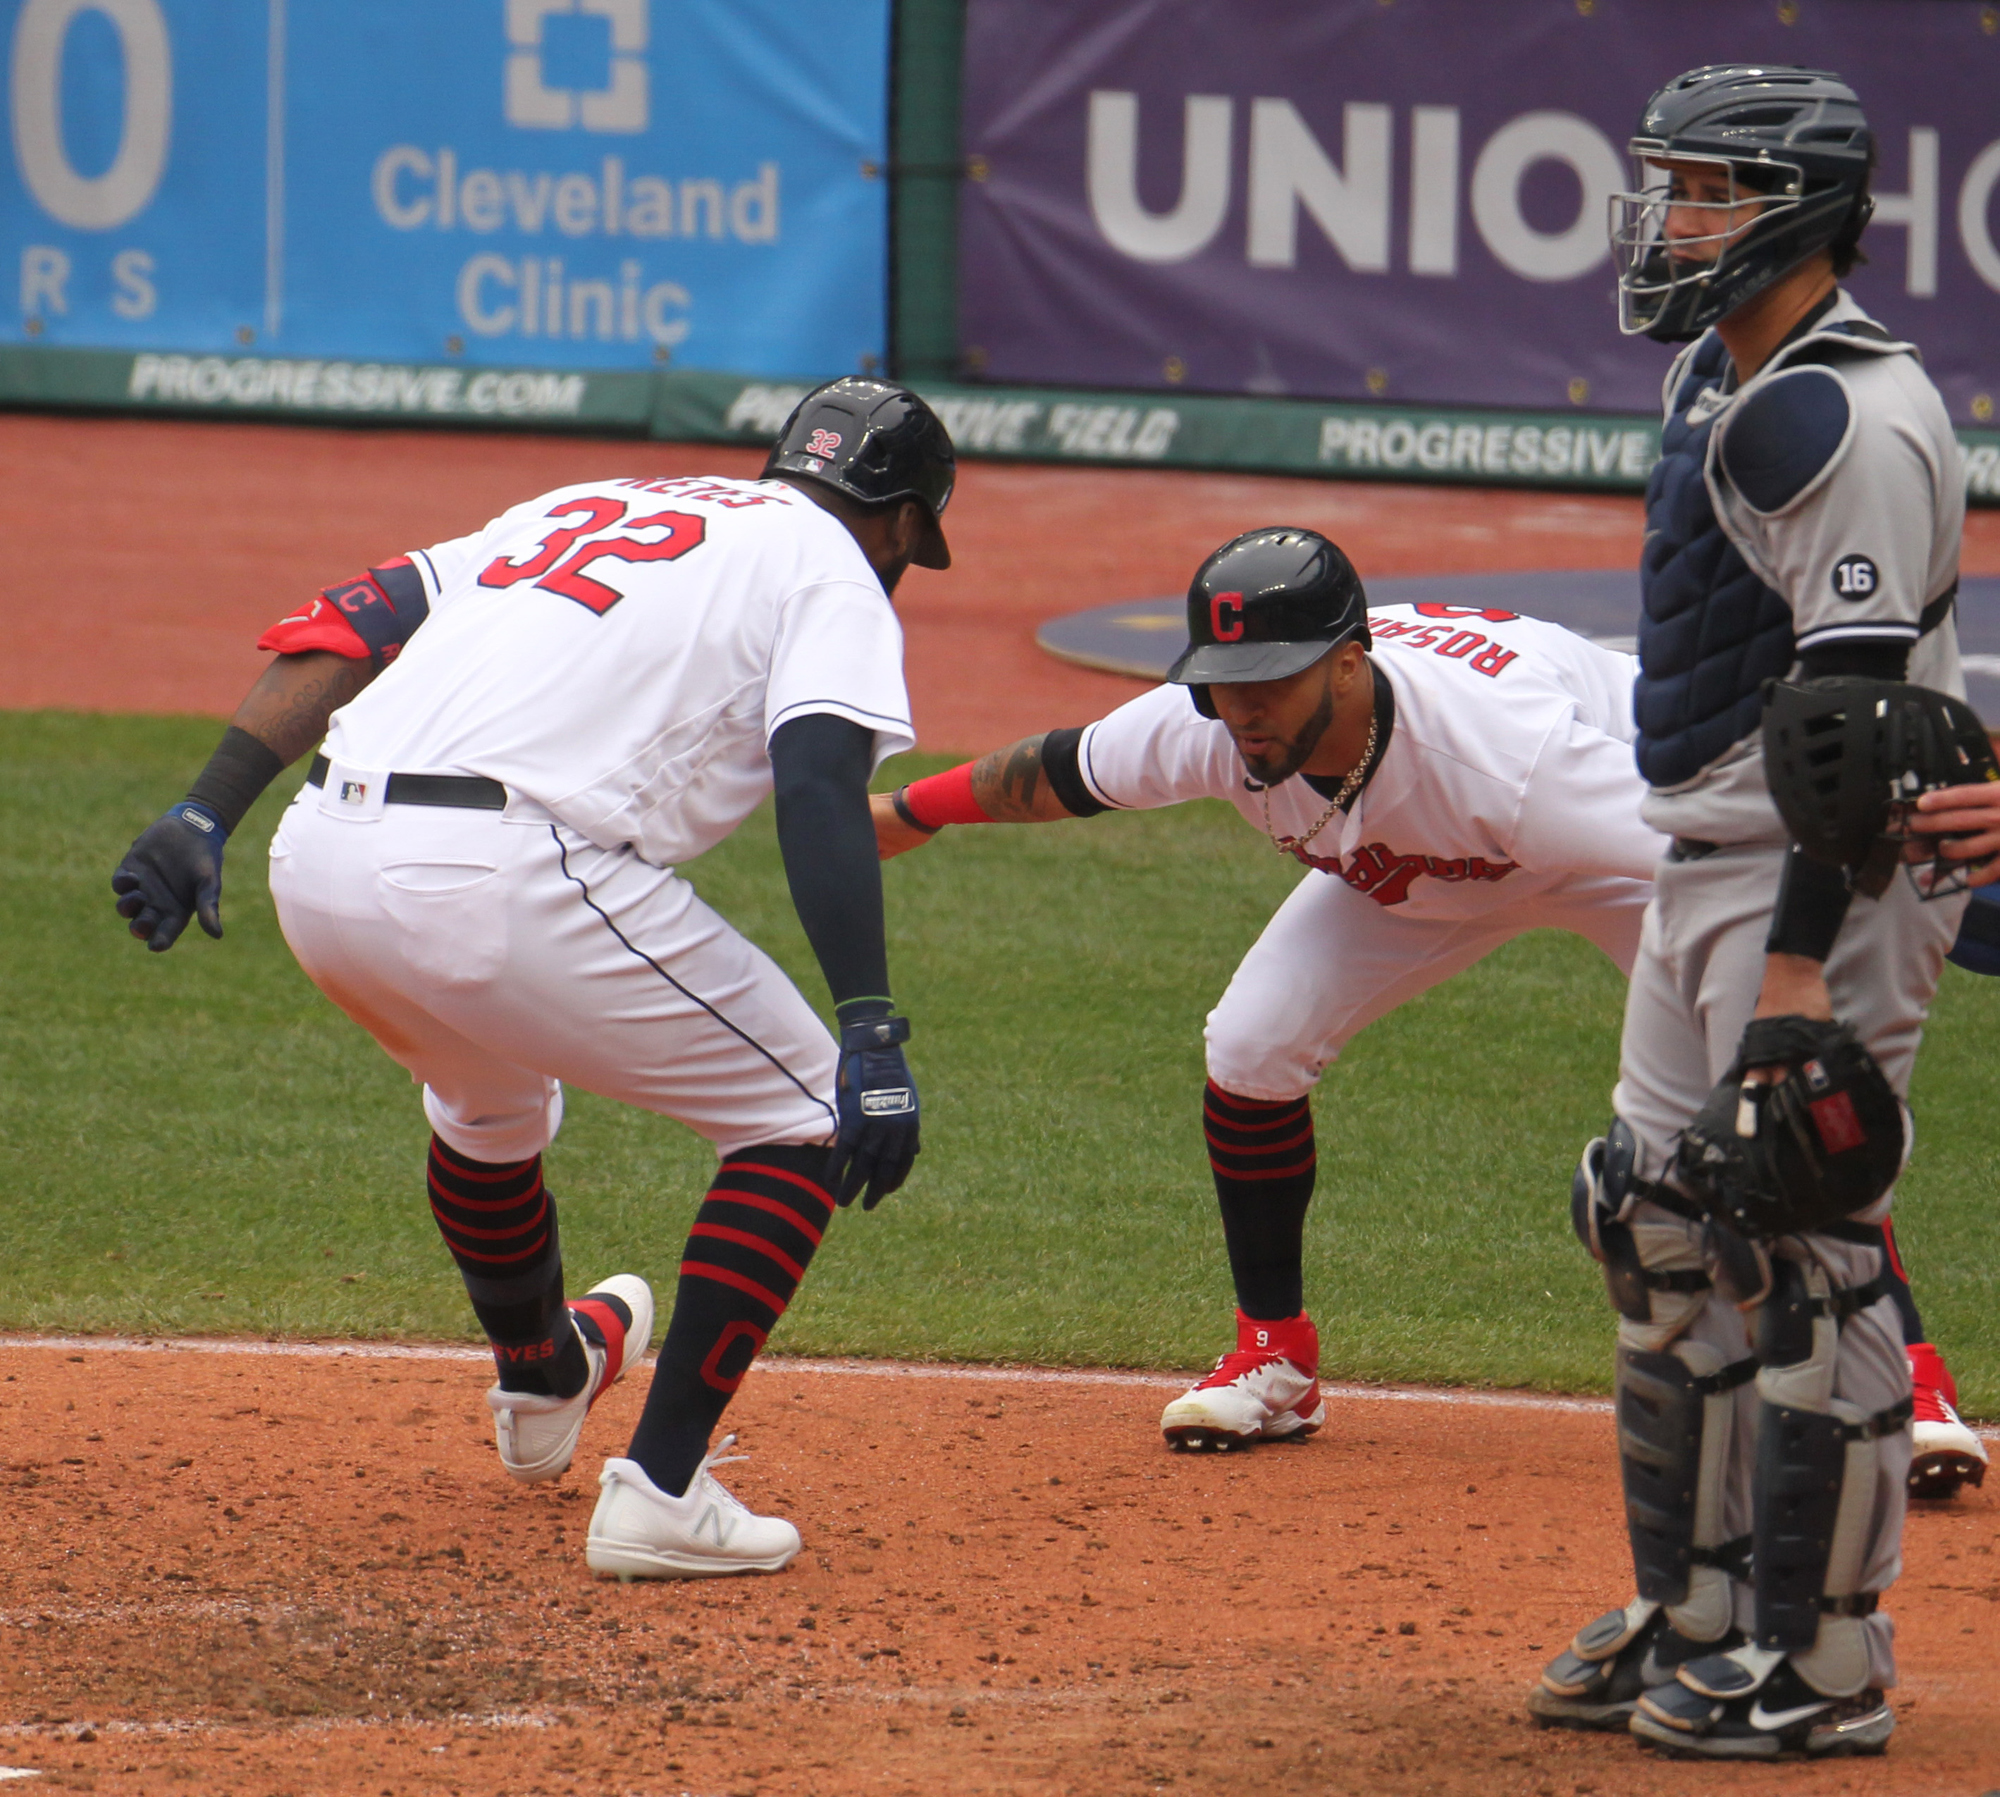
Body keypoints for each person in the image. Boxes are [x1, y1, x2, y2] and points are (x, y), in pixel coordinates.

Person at [110, 377, 951, 1580]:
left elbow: (353, 621)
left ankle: (544, 1373)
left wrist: (203, 810)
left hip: (320, 862)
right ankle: (660, 1494)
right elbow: (817, 788)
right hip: (497, 875)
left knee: (490, 1105)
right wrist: (867, 1028)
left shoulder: (585, 498)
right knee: (804, 1111)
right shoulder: (829, 562)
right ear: (906, 524)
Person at [1529, 66, 1971, 1758]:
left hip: (1825, 878)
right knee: (1652, 1213)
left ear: (1796, 210)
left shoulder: (1847, 415)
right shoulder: (1727, 381)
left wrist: (1797, 972)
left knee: (1806, 1239)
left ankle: (1829, 1659)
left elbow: (1855, 721)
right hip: (1698, 852)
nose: (1665, 222)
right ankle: (1698, 1606)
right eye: (1667, 187)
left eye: (1701, 192)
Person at [872, 525, 1663, 1449]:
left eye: (1272, 679)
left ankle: (1874, 1341)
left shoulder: (1513, 758)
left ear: (1346, 666)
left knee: (1741, 1077)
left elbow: (1727, 842)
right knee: (1251, 1049)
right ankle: (1274, 1357)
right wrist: (905, 811)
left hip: (1620, 853)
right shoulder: (1206, 725)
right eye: (1221, 678)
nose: (1242, 708)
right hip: (1419, 868)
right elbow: (1060, 770)